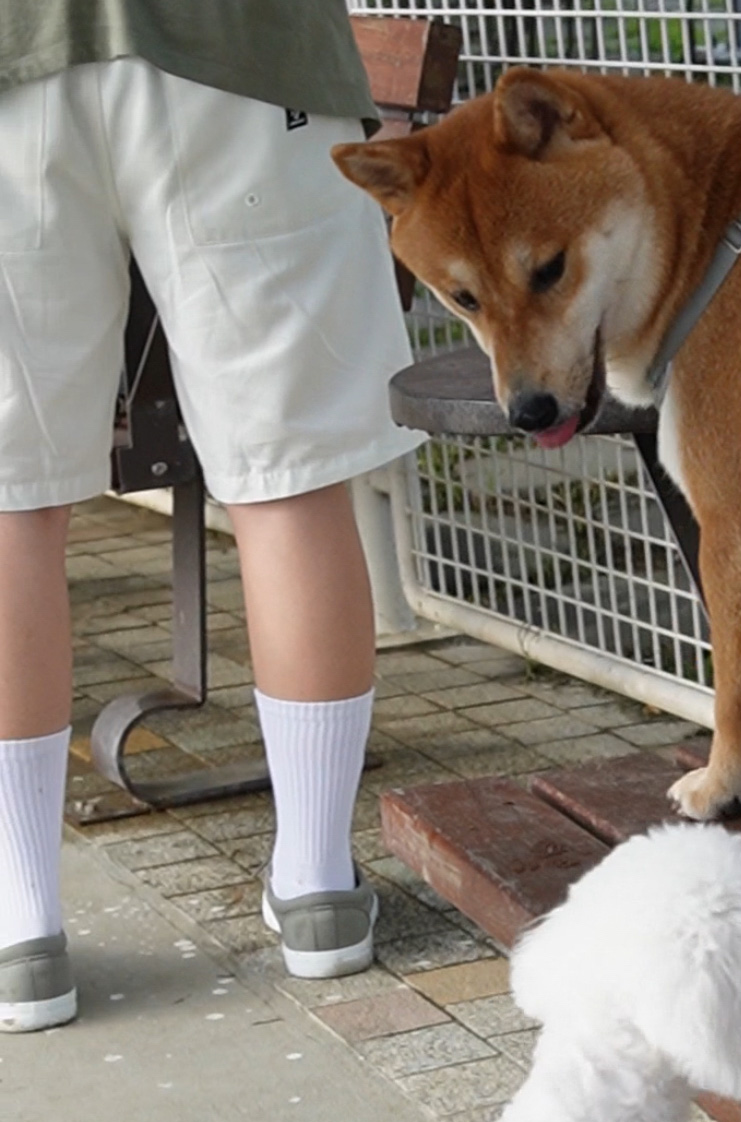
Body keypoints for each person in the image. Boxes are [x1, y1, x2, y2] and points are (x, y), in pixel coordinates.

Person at [0, 2, 422, 1029]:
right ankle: (319, 885)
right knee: (291, 478)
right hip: (242, 47)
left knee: (8, 502)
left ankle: (22, 926)